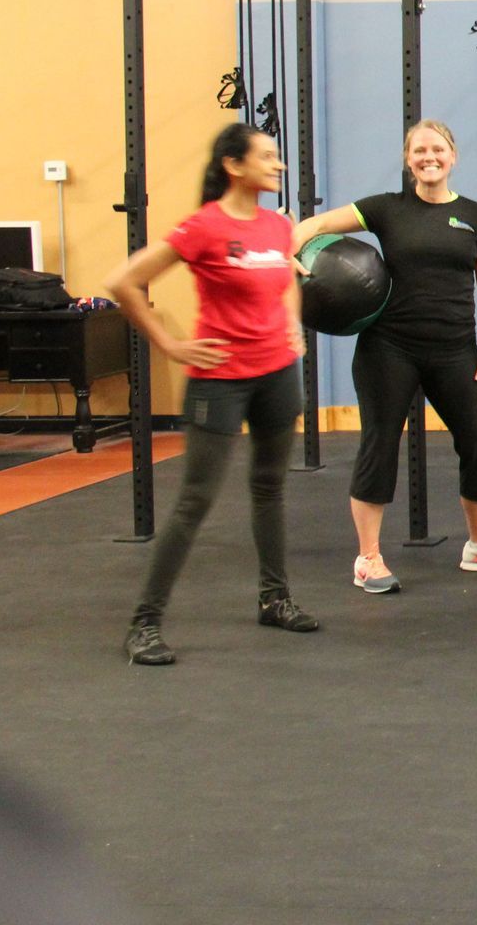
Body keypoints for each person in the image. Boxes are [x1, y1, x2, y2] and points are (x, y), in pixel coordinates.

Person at [106, 123, 317, 665]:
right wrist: (171, 345)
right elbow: (124, 282)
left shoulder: (277, 225)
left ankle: (275, 598)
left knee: (269, 488)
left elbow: (288, 280)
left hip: (277, 375)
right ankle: (144, 624)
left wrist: (292, 325)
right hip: (220, 378)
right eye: (267, 157)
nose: (279, 165)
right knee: (194, 502)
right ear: (233, 165)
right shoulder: (203, 227)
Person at [289, 120, 477, 594]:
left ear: (453, 156)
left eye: (437, 149)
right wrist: (289, 256)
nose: (428, 157)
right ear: (407, 159)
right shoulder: (385, 209)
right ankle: (368, 558)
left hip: (456, 349)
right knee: (380, 445)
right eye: (419, 150)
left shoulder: (475, 216)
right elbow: (314, 225)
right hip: (389, 347)